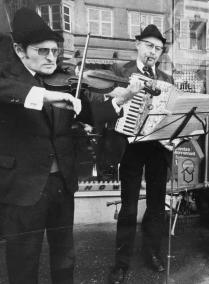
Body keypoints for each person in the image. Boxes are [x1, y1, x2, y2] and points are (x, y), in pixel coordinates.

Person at [0, 8, 138, 284]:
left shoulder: (64, 82)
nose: (52, 58)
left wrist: (121, 100)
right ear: (19, 49)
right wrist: (46, 95)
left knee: (65, 257)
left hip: (62, 182)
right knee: (23, 262)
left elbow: (91, 113)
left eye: (55, 50)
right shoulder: (9, 76)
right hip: (24, 186)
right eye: (42, 51)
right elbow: (8, 91)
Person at [108, 24, 174, 284]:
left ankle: (152, 252)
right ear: (137, 44)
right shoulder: (120, 71)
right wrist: (121, 95)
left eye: (158, 48)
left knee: (157, 205)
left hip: (157, 147)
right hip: (131, 146)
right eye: (149, 45)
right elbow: (104, 99)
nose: (153, 52)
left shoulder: (166, 78)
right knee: (128, 206)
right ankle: (121, 264)